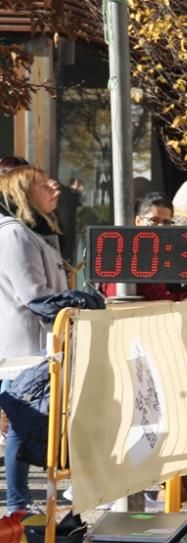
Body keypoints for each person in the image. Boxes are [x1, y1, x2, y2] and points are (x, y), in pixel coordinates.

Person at [0, 165, 67, 512]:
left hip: (37, 344)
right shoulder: (13, 234)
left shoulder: (34, 232)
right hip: (24, 347)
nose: (54, 189)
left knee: (23, 426)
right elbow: (33, 294)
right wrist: (71, 305)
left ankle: (21, 503)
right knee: (21, 425)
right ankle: (18, 505)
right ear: (24, 194)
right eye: (44, 186)